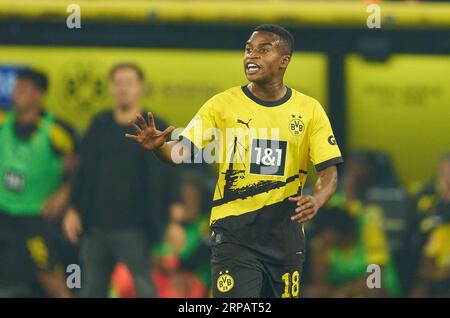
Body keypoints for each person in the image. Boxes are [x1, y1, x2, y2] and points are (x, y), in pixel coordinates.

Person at [126, 24, 343, 298]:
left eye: (264, 50)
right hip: (234, 236)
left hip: (285, 238)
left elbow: (329, 171)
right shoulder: (221, 105)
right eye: (248, 49)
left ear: (284, 60)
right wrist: (159, 148)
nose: (252, 56)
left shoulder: (309, 110)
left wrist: (317, 199)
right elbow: (178, 153)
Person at [63, 63, 176, 297]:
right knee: (92, 288)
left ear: (141, 87)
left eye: (129, 82)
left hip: (137, 227)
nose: (123, 88)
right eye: (118, 82)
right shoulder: (100, 124)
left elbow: (169, 173)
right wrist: (73, 209)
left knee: (144, 285)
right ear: (112, 88)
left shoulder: (154, 126)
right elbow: (82, 172)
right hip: (95, 226)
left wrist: (175, 219)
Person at [0, 68, 77, 297]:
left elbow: (81, 170)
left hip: (34, 218)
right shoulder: (3, 121)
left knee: (51, 278)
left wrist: (63, 195)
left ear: (38, 95)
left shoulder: (56, 131)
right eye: (16, 88)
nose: (16, 94)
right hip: (3, 211)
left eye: (24, 89)